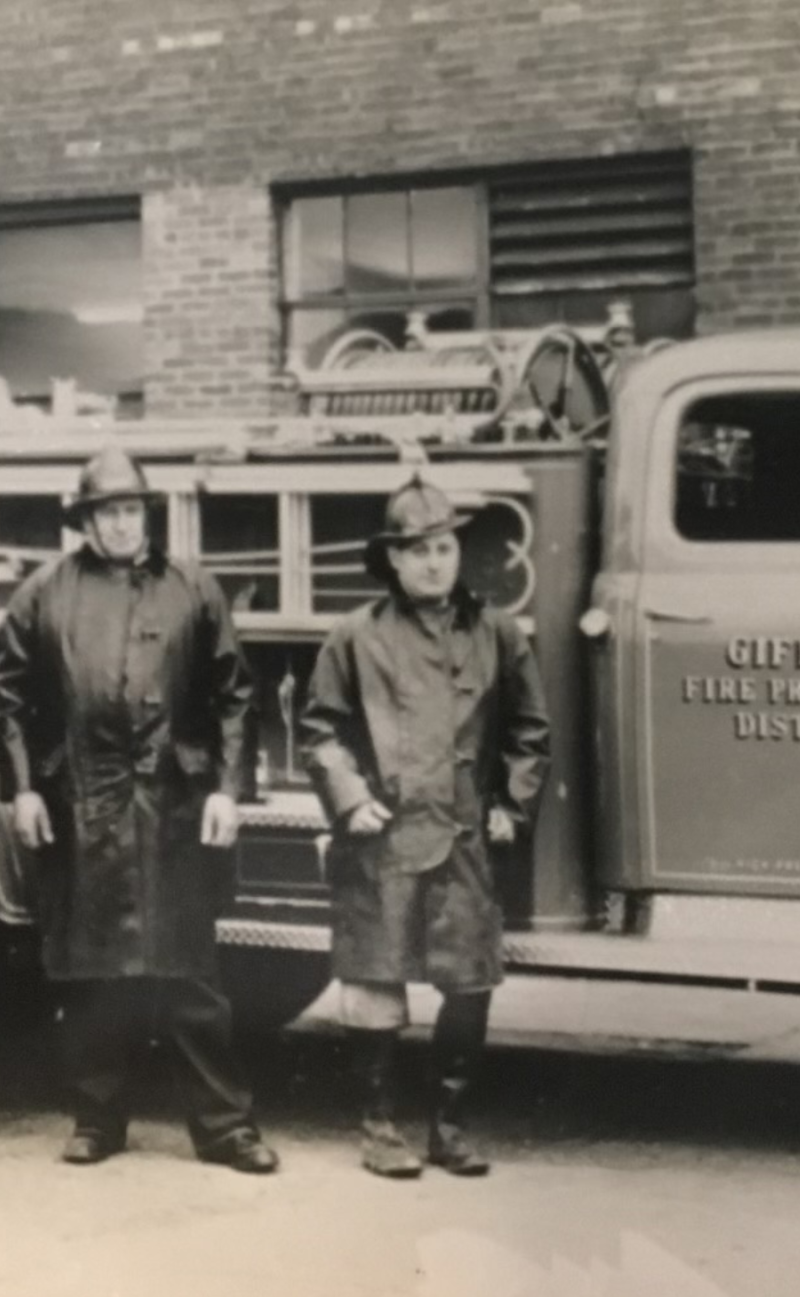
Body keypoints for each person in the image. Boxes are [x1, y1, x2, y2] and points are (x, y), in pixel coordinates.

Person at [0, 447, 278, 1175]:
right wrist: (22, 787)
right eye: (105, 511)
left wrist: (228, 789)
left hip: (176, 808)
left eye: (130, 509)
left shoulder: (194, 589)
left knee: (190, 977)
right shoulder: (44, 594)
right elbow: (8, 698)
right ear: (85, 520)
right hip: (82, 806)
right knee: (92, 976)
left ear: (147, 513)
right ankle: (96, 1118)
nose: (120, 523)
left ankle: (225, 1127)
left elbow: (237, 694)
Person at [297, 477, 552, 1180]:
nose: (434, 562)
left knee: (469, 983)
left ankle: (450, 1128)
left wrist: (512, 803)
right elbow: (318, 732)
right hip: (382, 837)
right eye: (417, 551)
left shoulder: (497, 632)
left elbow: (531, 731)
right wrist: (351, 799)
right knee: (376, 978)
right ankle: (380, 1127)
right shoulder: (356, 636)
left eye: (443, 547)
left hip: (465, 836)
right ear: (394, 562)